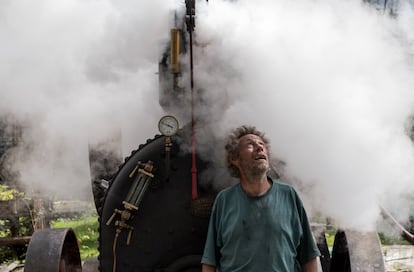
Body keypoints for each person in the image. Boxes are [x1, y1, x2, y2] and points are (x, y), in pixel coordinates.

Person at [201, 125, 320, 272]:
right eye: (250, 144)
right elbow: (210, 261)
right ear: (235, 158)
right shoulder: (224, 200)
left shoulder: (289, 195)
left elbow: (309, 256)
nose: (259, 147)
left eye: (262, 144)